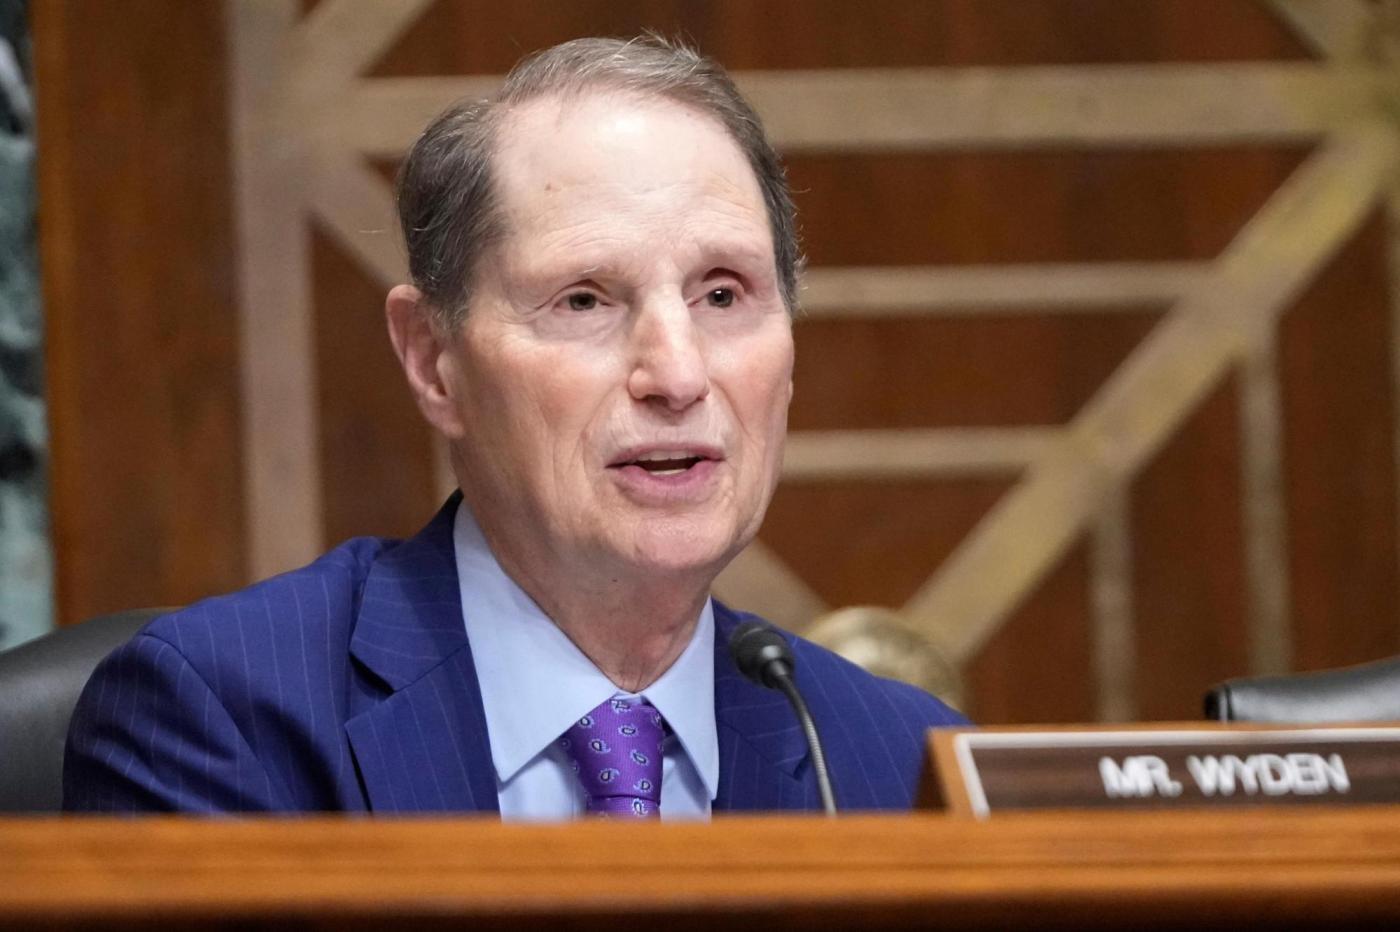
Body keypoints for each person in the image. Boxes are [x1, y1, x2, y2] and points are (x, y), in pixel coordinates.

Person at [63, 35, 966, 817]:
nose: (678, 375)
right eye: (584, 300)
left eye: (723, 295)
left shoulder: (900, 763)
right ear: (433, 360)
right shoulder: (222, 722)